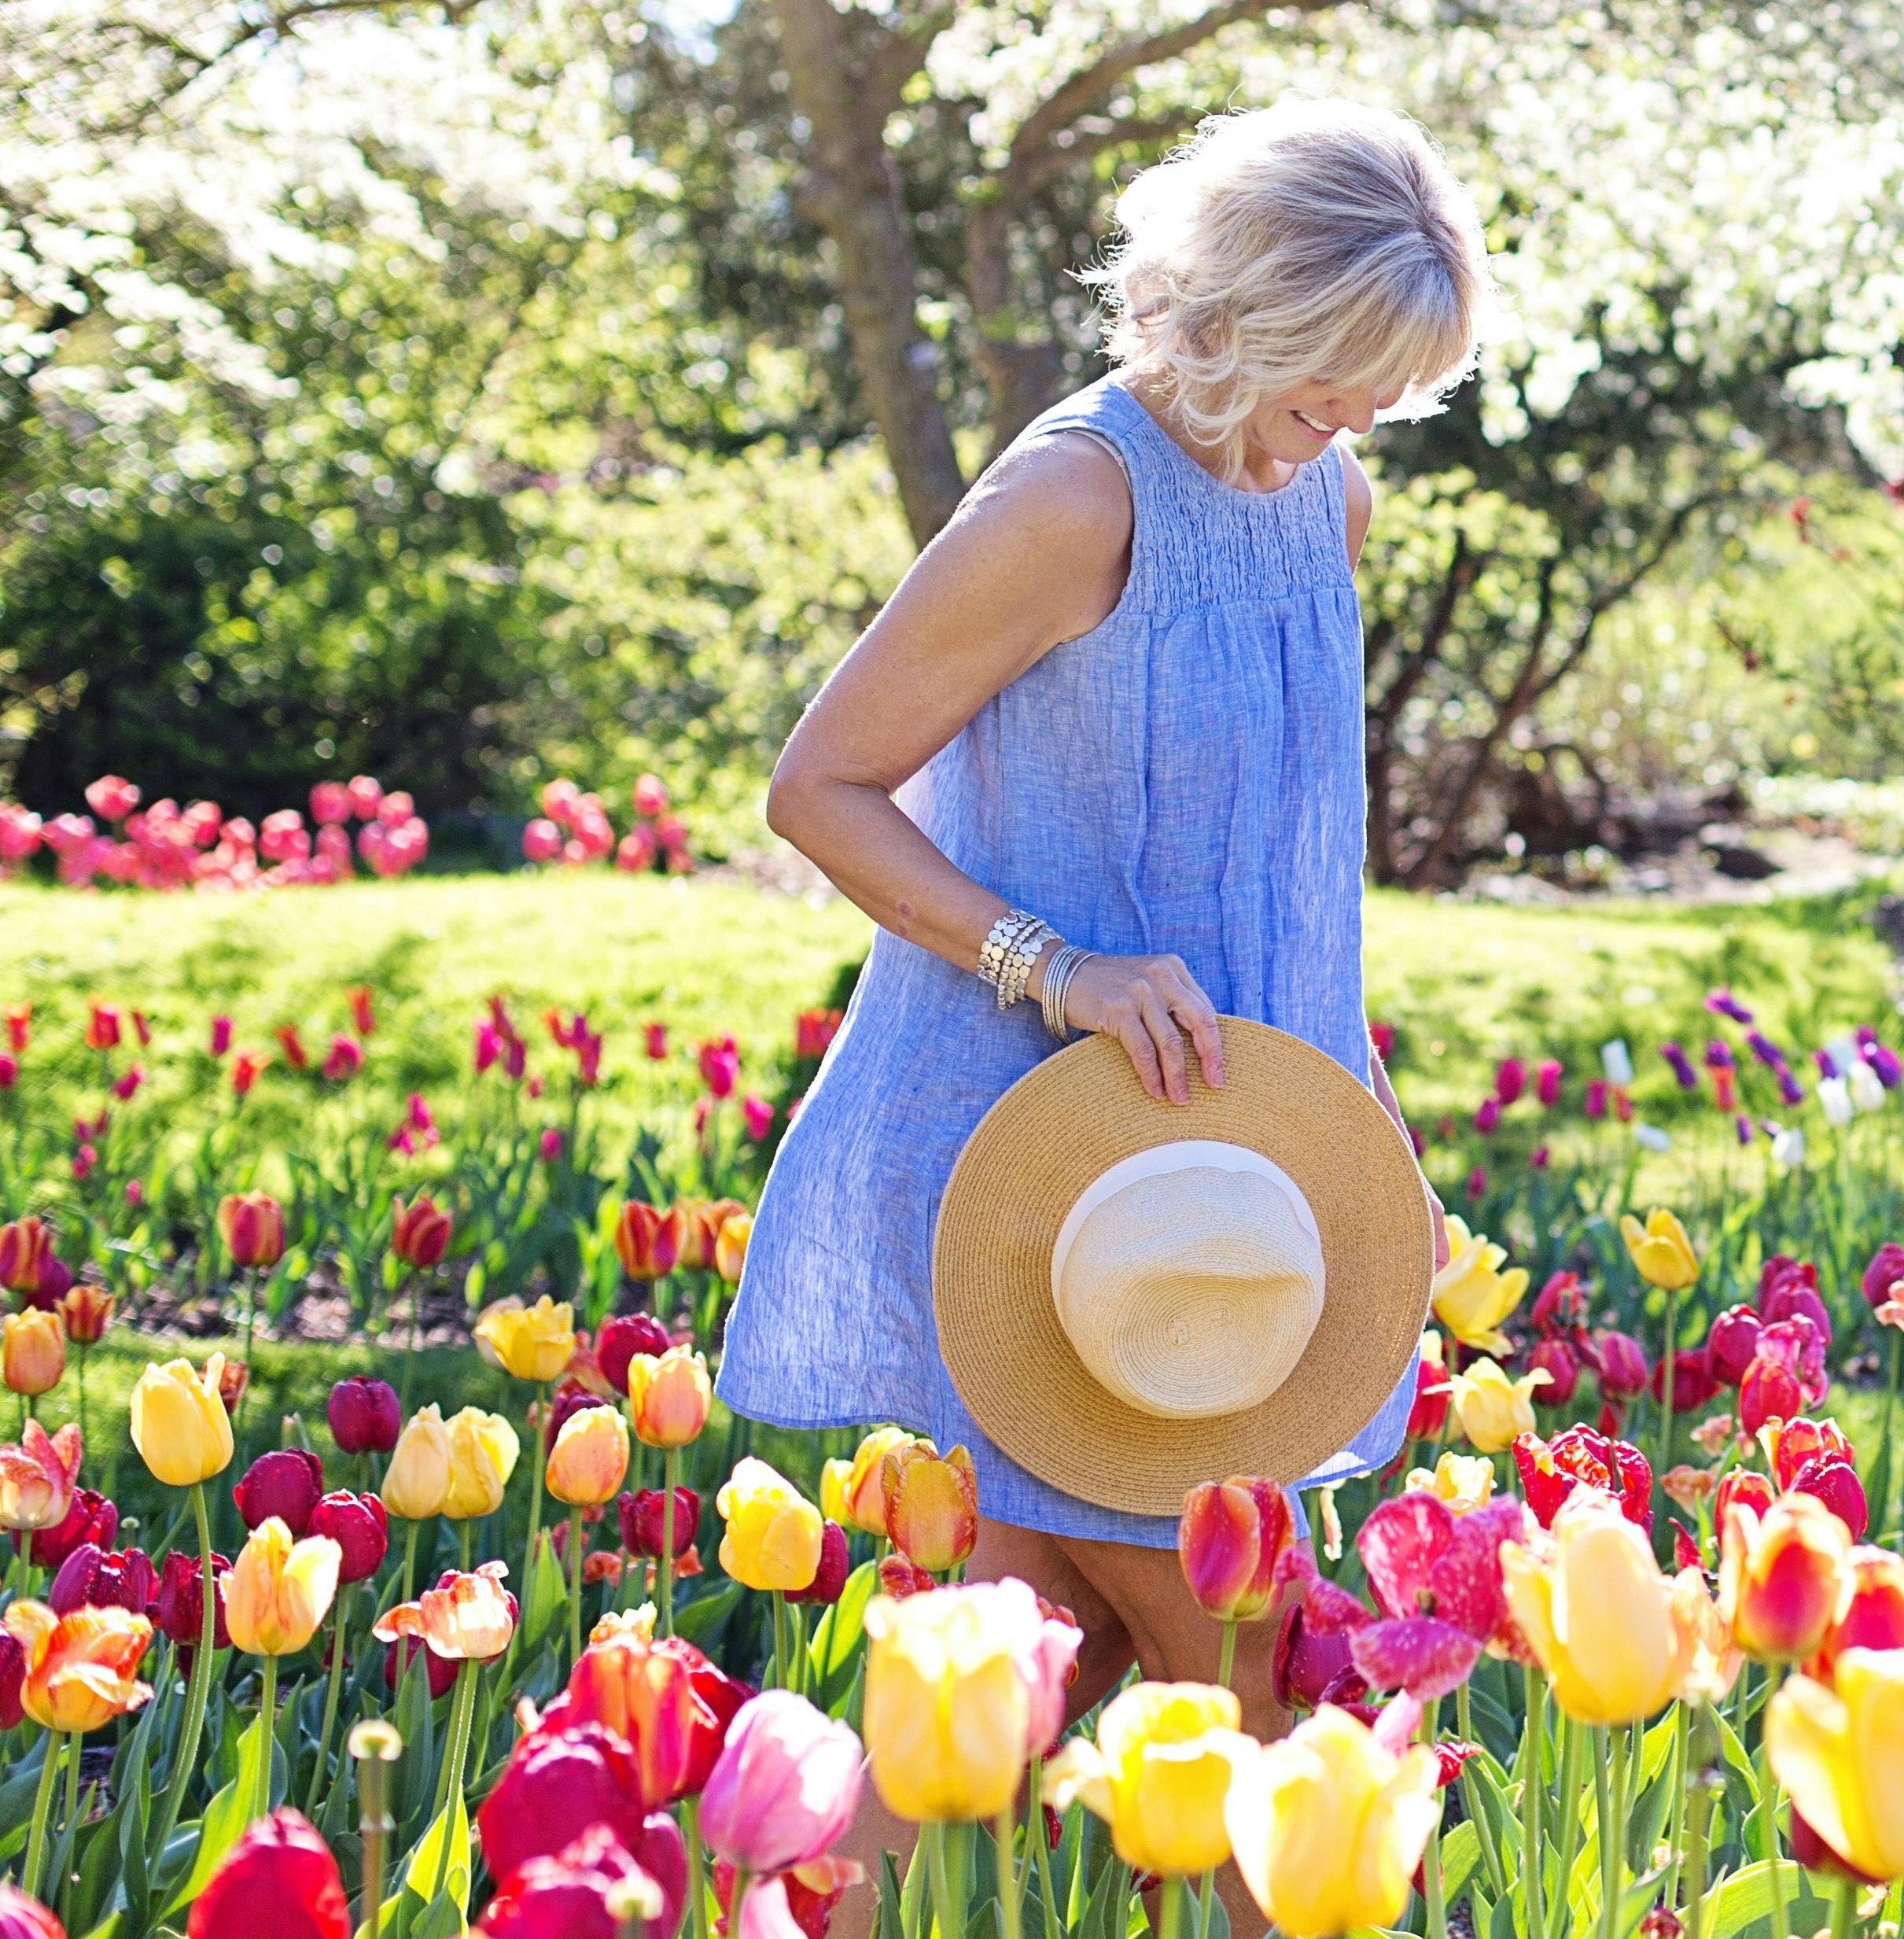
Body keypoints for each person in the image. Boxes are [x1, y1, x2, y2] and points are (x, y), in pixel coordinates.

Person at [727, 98, 1486, 1927]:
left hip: (1227, 1170)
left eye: (1398, 381)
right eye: (1342, 374)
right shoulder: (1071, 499)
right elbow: (819, 786)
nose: (1367, 418)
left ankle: (764, 1910)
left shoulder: (1327, 497)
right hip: (1048, 1168)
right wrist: (1056, 974)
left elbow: (1284, 871)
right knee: (1236, 1662)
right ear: (1228, 319)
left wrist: (1351, 1129)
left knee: (1020, 1657)